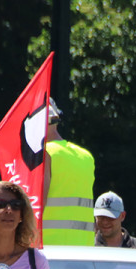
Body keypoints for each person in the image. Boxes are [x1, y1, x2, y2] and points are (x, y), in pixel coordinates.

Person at [42, 99, 96, 245]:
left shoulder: (43, 155)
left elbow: (36, 205)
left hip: (49, 249)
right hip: (84, 248)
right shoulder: (86, 157)